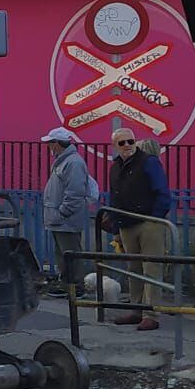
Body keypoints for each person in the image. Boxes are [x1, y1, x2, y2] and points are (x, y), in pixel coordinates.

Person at [103, 130, 170, 331]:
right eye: (121, 142)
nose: (126, 145)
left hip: (148, 221)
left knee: (151, 268)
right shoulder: (115, 167)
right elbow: (114, 198)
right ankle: (137, 309)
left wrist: (155, 218)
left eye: (130, 141)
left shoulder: (148, 162)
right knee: (134, 269)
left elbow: (162, 192)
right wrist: (116, 228)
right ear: (115, 145)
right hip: (126, 224)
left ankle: (151, 313)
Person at [39, 128, 98, 299]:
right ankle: (67, 285)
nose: (48, 146)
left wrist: (62, 212)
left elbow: (75, 192)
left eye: (50, 142)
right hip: (60, 218)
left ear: (57, 143)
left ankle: (75, 287)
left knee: (70, 252)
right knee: (63, 254)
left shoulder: (72, 163)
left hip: (65, 218)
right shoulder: (66, 161)